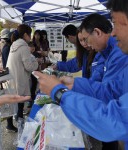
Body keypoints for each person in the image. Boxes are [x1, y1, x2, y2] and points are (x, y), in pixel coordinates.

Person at [34, 1, 128, 149]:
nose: (113, 32)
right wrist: (75, 84)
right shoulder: (105, 53)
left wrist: (59, 93)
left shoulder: (118, 53)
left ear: (97, 32)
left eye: (116, 24)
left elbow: (115, 119)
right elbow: (111, 90)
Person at [6, 25, 38, 121]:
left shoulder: (14, 44)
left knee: (15, 102)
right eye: (30, 35)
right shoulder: (23, 47)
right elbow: (29, 66)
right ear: (25, 35)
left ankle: (16, 120)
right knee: (20, 101)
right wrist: (36, 62)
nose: (30, 37)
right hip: (19, 78)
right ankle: (19, 121)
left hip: (13, 78)